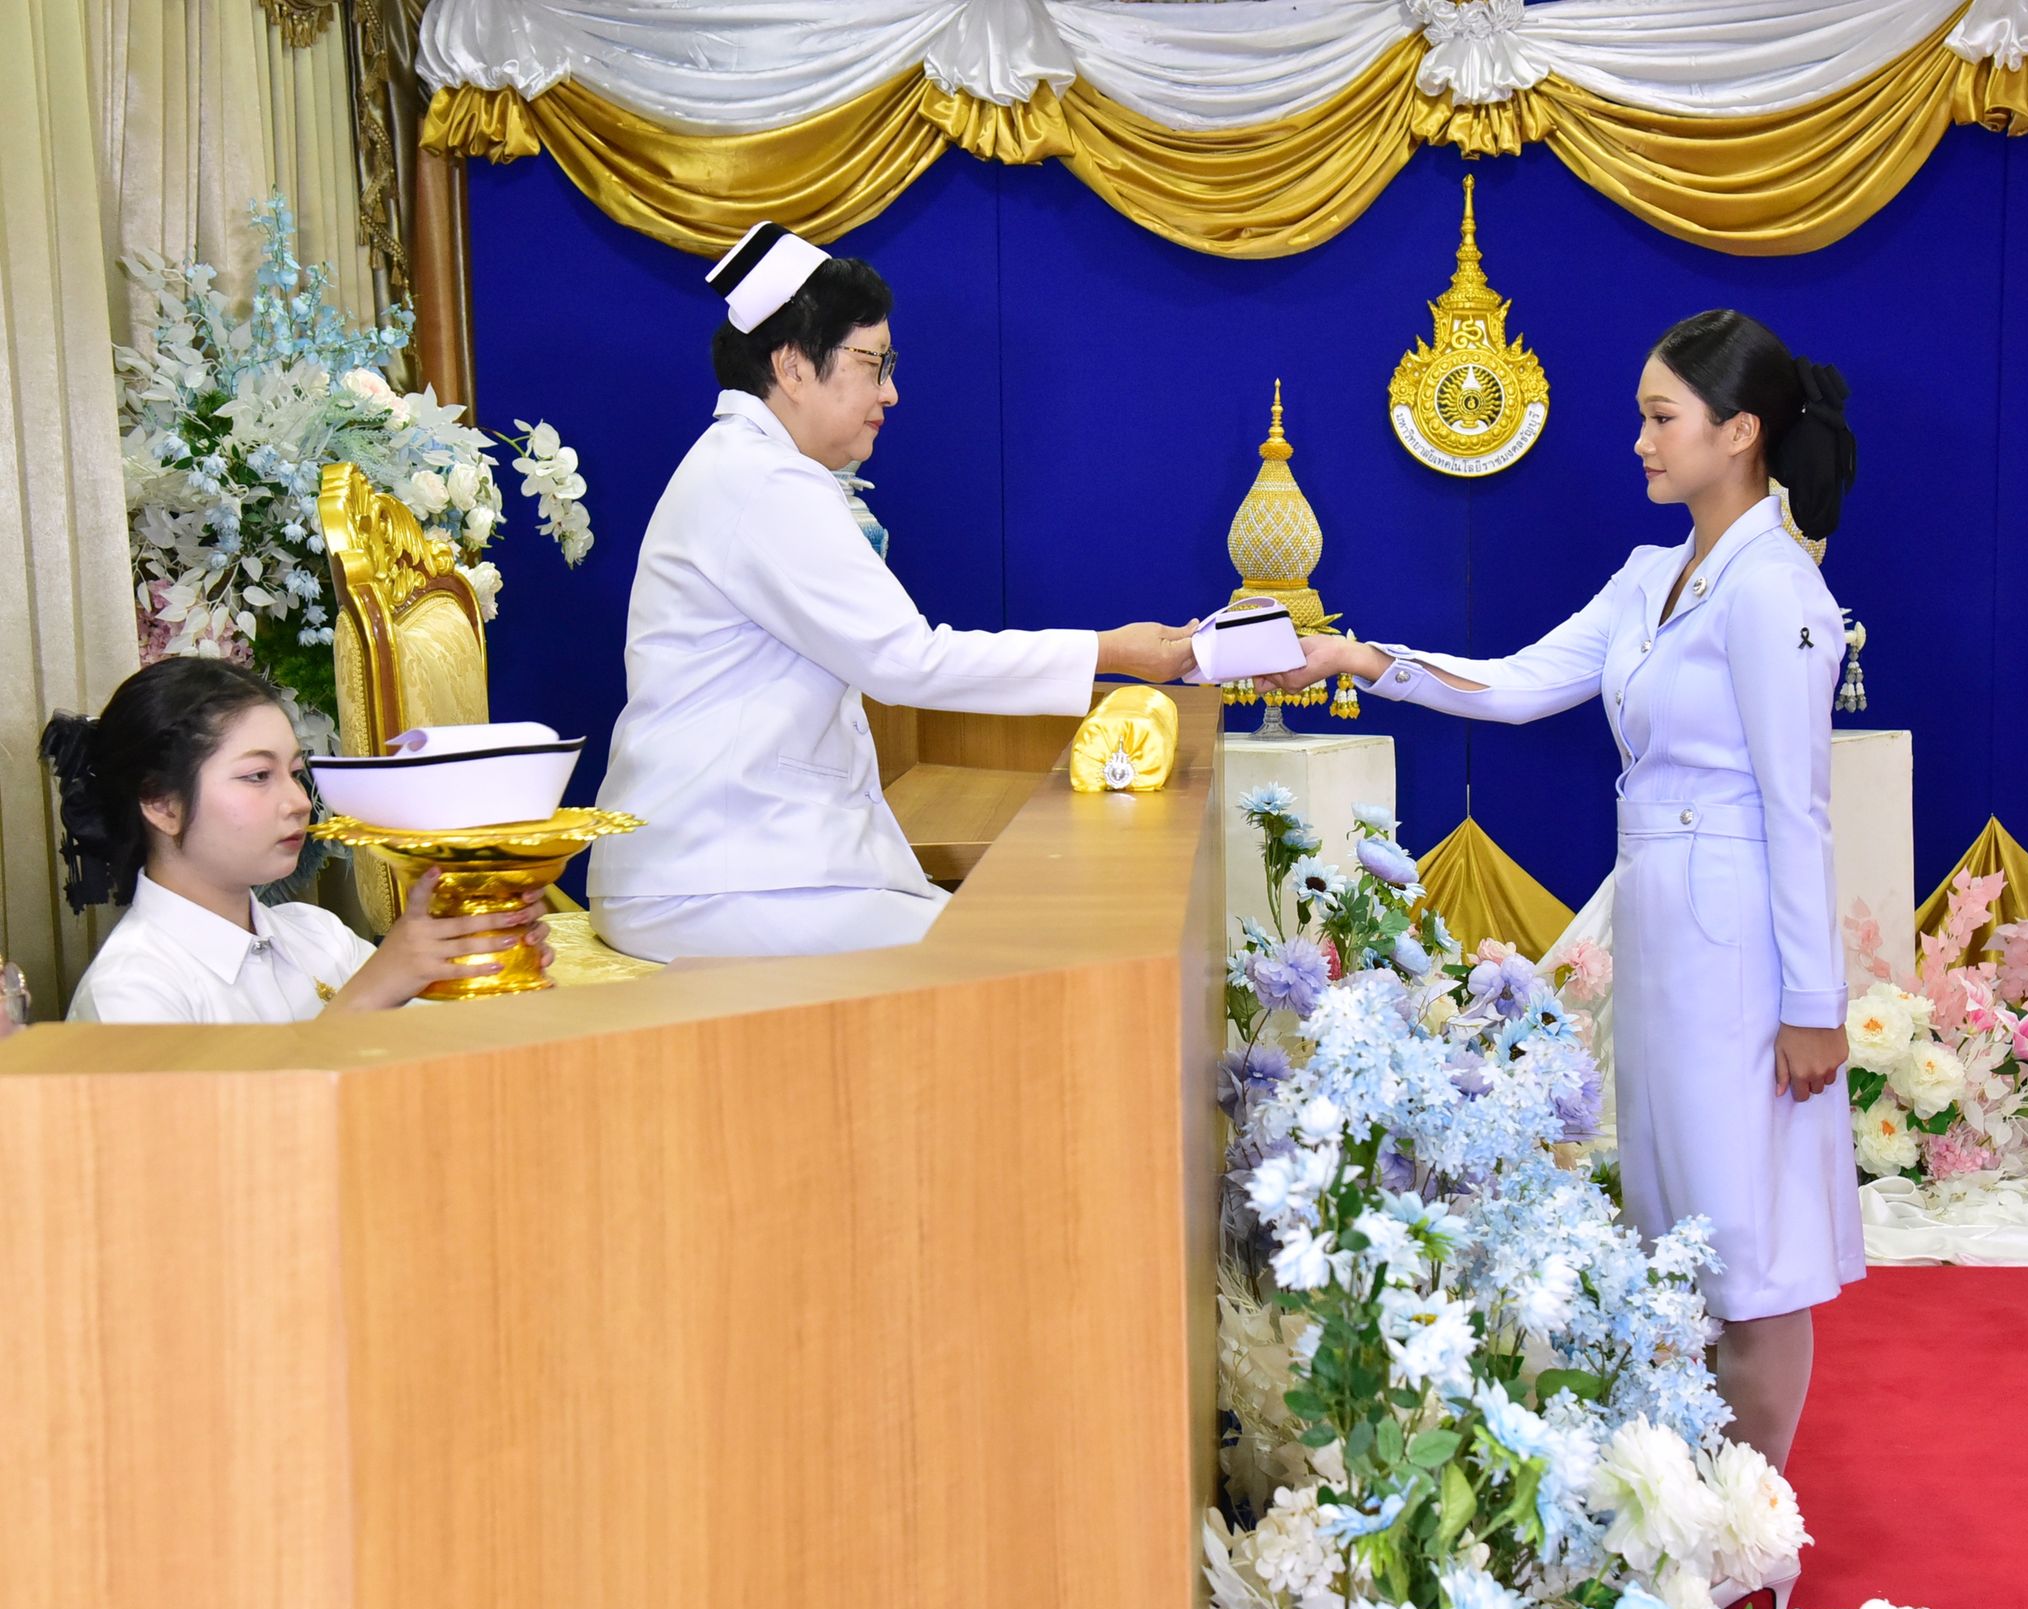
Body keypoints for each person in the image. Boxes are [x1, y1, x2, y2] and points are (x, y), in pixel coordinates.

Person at [1264, 310, 1861, 1484]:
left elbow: (1799, 807)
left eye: (1660, 417)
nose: (1639, 441)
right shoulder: (1648, 577)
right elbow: (1515, 685)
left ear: (1739, 432)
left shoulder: (1776, 588)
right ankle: (1683, 1499)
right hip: (1664, 924)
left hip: (1742, 942)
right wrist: (1358, 658)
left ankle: (1751, 1524)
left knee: (1749, 1245)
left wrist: (1812, 1002)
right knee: (1678, 1226)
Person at [589, 223, 1197, 961]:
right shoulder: (764, 481)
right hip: (720, 867)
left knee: (1005, 948)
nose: (891, 392)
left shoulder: (746, 466)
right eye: (872, 362)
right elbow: (908, 662)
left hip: (737, 860)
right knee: (1012, 965)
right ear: (792, 366)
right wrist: (1112, 651)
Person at [42, 657, 551, 1023]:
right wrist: (369, 993)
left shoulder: (317, 934)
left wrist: (482, 963)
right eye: (257, 776)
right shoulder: (131, 991)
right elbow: (223, 1140)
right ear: (161, 804)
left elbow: (432, 1056)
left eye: (294, 772)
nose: (299, 802)